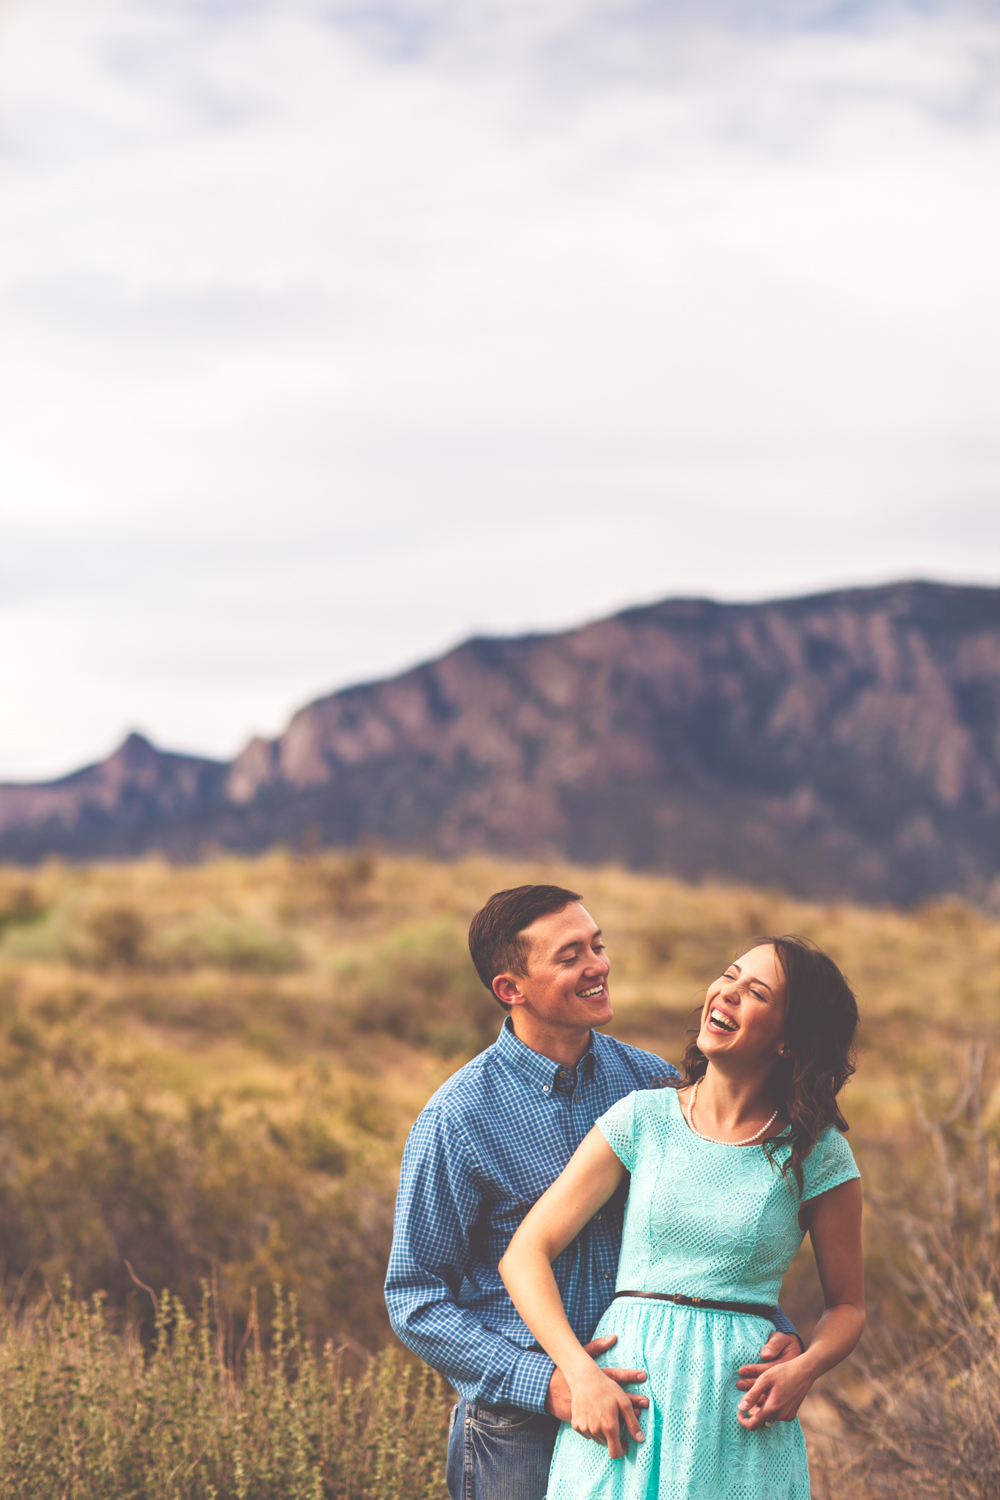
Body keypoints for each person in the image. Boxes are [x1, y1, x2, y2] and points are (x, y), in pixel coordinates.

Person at [385, 886, 803, 1500]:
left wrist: (773, 1327)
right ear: (511, 989)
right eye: (570, 956)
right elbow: (415, 1298)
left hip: (650, 1413)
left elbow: (709, 1226)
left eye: (598, 946)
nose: (598, 966)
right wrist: (547, 1382)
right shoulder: (458, 1119)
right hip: (518, 1431)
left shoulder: (653, 1086)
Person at [499, 935, 865, 1500]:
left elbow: (847, 1306)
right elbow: (526, 1253)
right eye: (729, 975)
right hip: (626, 1402)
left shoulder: (817, 1152)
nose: (726, 993)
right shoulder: (643, 1119)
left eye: (756, 992)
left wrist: (805, 1368)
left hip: (741, 1412)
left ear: (792, 1039)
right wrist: (579, 1373)